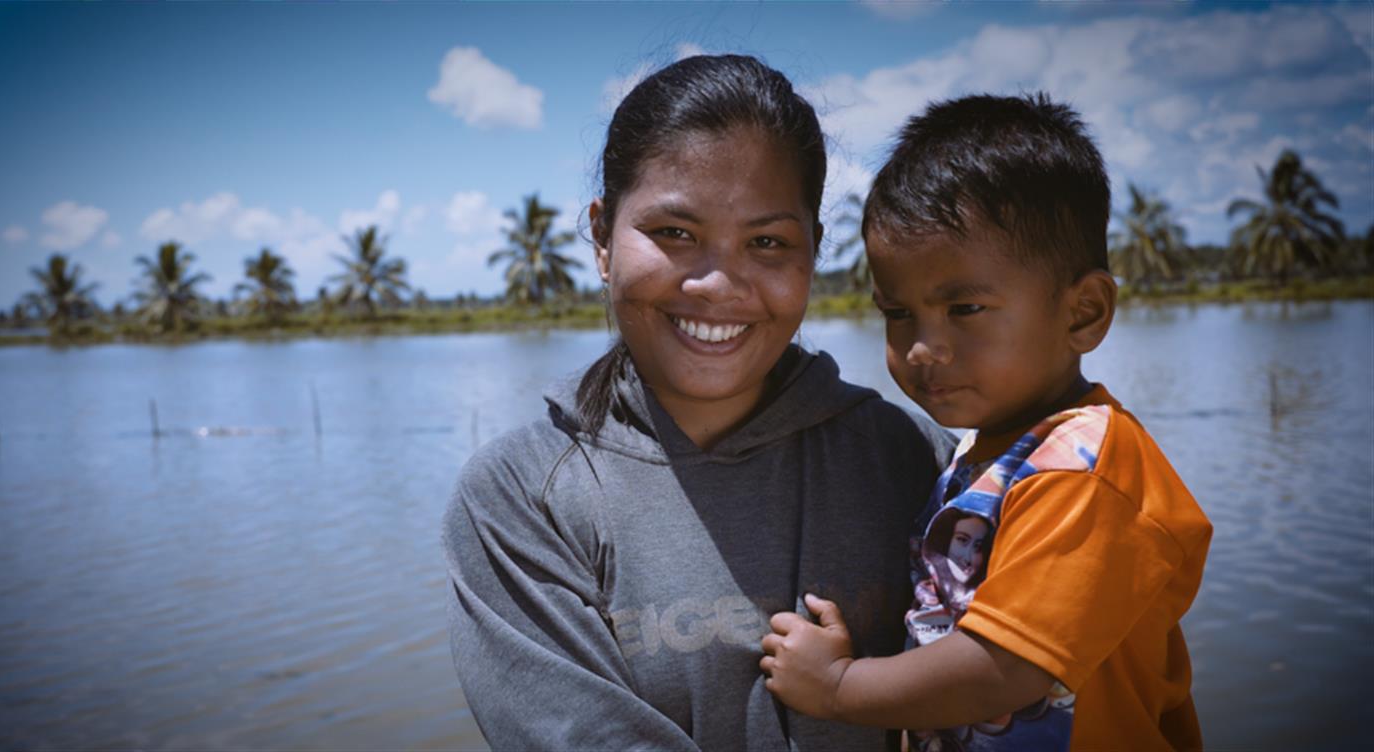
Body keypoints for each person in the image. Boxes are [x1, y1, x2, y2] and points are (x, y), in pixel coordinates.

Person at [441, 54, 955, 750]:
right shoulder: (525, 498)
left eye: (767, 242)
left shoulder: (912, 461)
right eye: (675, 234)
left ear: (813, 254)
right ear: (601, 237)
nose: (717, 283)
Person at [759, 93, 1214, 751]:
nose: (923, 347)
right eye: (898, 313)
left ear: (1082, 312)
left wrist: (838, 687)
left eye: (964, 308)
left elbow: (1003, 667)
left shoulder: (1088, 468)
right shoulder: (988, 454)